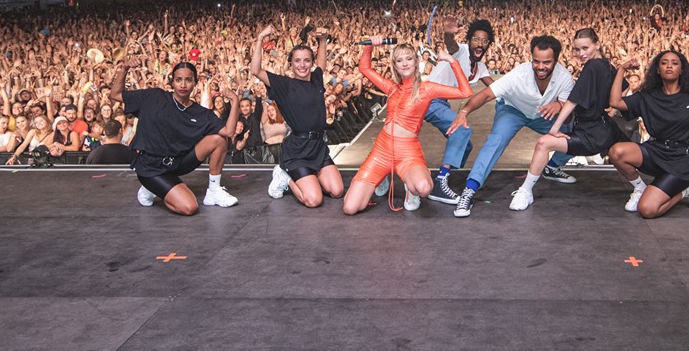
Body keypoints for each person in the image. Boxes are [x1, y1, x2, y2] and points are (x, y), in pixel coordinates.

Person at [446, 35, 574, 218]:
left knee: (576, 133)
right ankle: (469, 190)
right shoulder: (519, 74)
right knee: (495, 141)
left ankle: (552, 167)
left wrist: (560, 105)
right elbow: (486, 95)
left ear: (556, 60)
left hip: (542, 115)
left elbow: (568, 108)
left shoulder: (565, 77)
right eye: (536, 61)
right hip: (512, 110)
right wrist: (464, 112)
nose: (540, 67)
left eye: (546, 62)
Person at [342, 35, 471, 214]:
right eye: (399, 60)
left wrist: (451, 60)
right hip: (382, 150)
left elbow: (465, 91)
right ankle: (383, 175)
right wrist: (370, 45)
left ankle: (411, 189)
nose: (404, 63)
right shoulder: (392, 88)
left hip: (408, 153)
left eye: (409, 58)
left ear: (416, 61)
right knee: (350, 208)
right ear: (395, 65)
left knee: (424, 188)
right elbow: (364, 68)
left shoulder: (428, 88)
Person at [608, 51, 689, 218]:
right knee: (616, 152)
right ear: (657, 69)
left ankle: (688, 190)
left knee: (647, 210)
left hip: (682, 160)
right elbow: (615, 102)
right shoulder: (648, 96)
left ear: (682, 69)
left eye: (674, 63)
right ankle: (639, 187)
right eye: (664, 63)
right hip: (656, 150)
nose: (669, 65)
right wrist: (622, 69)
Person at [509, 28, 626, 211]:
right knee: (639, 157)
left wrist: (555, 129)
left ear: (598, 44)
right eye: (577, 50)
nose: (581, 54)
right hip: (605, 127)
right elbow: (621, 91)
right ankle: (648, 187)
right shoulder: (608, 67)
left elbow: (572, 101)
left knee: (543, 143)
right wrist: (610, 112)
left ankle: (525, 192)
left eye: (585, 48)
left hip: (591, 133)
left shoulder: (592, 66)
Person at [113, 56, 240, 215]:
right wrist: (124, 68)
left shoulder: (200, 113)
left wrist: (235, 101)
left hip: (178, 163)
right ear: (172, 82)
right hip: (151, 168)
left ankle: (214, 191)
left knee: (219, 139)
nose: (183, 84)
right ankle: (150, 188)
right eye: (179, 79)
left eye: (188, 80)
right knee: (189, 208)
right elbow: (115, 94)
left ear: (195, 83)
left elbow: (228, 132)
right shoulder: (154, 96)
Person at [397, 17, 495, 205]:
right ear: (469, 40)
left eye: (484, 40)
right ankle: (441, 183)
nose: (479, 43)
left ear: (488, 44)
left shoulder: (480, 67)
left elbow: (497, 89)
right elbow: (450, 43)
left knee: (466, 146)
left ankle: (443, 176)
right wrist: (448, 33)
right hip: (427, 99)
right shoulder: (461, 51)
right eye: (476, 39)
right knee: (462, 129)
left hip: (440, 103)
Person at [253, 24, 344, 208]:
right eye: (297, 61)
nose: (302, 65)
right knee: (314, 200)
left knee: (337, 192)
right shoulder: (284, 85)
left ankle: (309, 178)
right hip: (298, 151)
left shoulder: (316, 79)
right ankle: (285, 177)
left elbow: (322, 65)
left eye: (306, 60)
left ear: (311, 63)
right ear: (291, 63)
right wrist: (261, 38)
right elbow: (256, 71)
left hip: (318, 147)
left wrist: (323, 40)